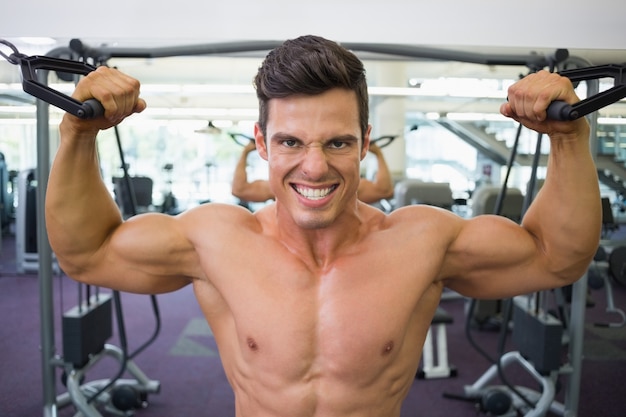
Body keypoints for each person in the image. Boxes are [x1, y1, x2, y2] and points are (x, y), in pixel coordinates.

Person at [46, 35, 601, 416]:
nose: (314, 166)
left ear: (363, 142)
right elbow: (86, 254)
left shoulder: (423, 241)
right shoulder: (214, 240)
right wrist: (77, 132)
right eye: (290, 141)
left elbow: (558, 256)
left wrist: (569, 138)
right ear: (262, 143)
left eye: (337, 141)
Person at [231, 139, 394, 204]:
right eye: (291, 143)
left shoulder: (351, 188)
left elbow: (385, 191)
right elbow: (239, 190)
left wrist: (378, 154)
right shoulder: (277, 188)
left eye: (337, 144)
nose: (315, 170)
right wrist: (245, 153)